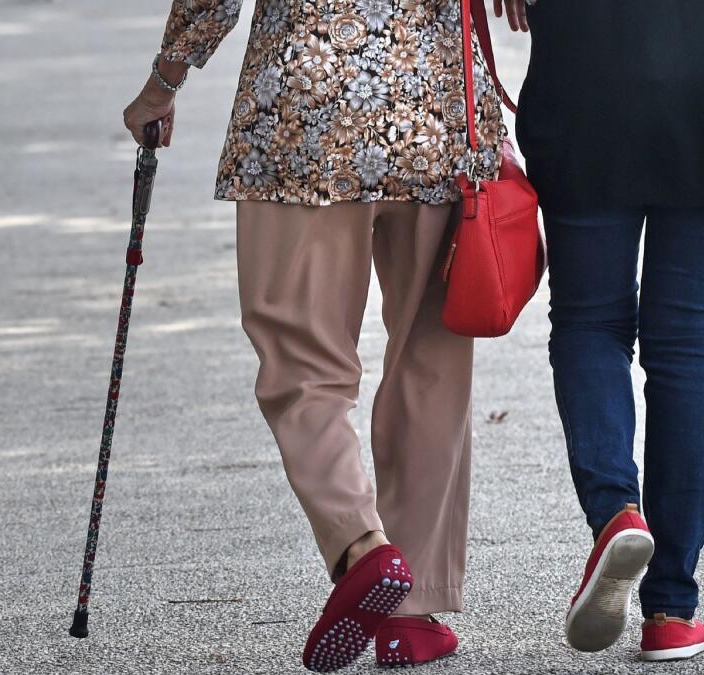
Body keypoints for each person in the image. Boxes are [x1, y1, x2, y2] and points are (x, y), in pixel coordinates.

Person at [122, 1, 506, 671]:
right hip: (437, 111)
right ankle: (411, 616)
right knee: (430, 357)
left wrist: (165, 80)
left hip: (306, 108)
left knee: (301, 359)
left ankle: (363, 546)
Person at [495, 0, 704, 662]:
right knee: (688, 348)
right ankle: (672, 607)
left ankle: (616, 508)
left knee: (589, 319)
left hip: (587, 81)